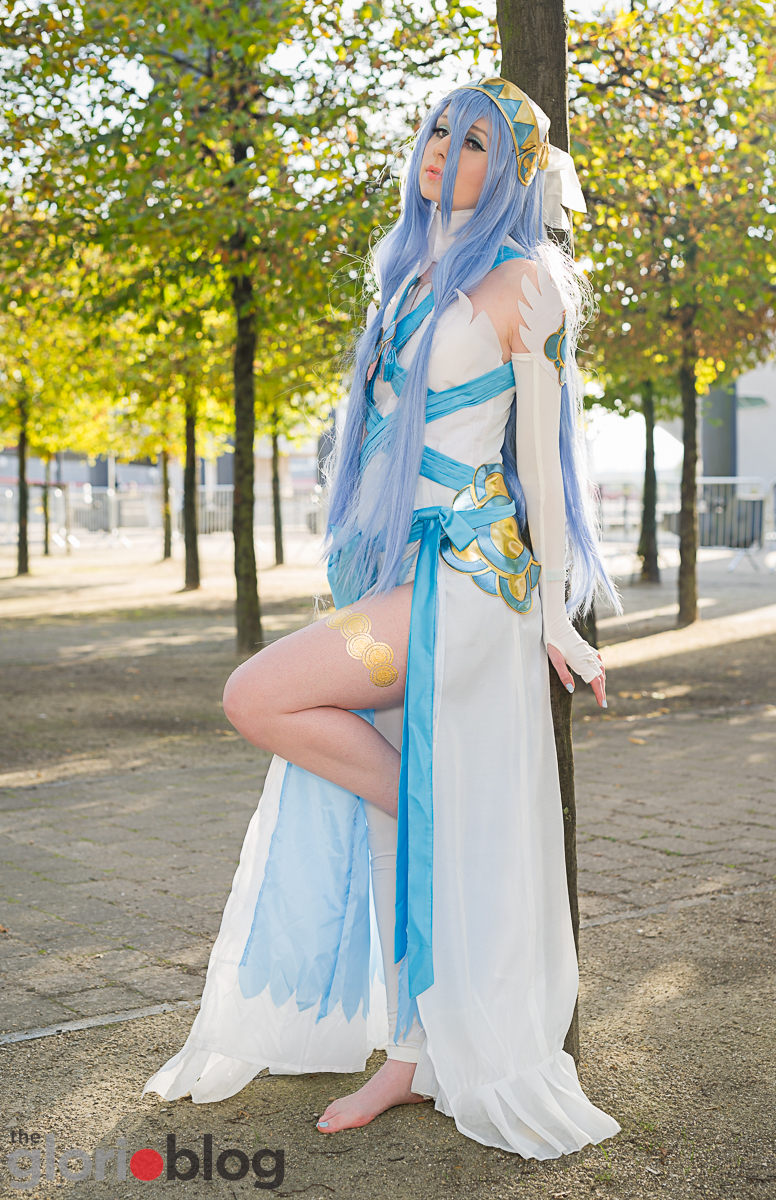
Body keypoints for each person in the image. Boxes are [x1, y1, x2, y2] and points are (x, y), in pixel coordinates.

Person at [144, 77, 622, 1161]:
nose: (444, 150)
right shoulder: (406, 271)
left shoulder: (526, 280)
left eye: (475, 142)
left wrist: (560, 615)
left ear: (513, 170)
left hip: (467, 583)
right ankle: (408, 1050)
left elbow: (541, 460)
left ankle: (438, 827)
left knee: (257, 695)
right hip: (396, 576)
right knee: (376, 806)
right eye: (437, 130)